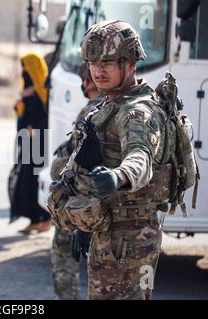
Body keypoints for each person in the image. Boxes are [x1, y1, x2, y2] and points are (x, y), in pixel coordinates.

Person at [50, 19, 178, 300]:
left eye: (107, 62)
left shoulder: (137, 112)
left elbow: (140, 157)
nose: (98, 70)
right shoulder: (111, 103)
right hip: (110, 228)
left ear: (130, 64)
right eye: (93, 62)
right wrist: (86, 224)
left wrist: (118, 176)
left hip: (131, 238)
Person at [50, 62, 102, 300]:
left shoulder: (93, 111)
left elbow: (77, 160)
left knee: (64, 253)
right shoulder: (113, 108)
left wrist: (58, 168)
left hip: (80, 198)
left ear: (87, 82)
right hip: (95, 199)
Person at [9, 53, 52, 234]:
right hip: (27, 144)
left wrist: (34, 130)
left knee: (35, 180)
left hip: (37, 144)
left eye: (27, 68)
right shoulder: (28, 92)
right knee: (26, 181)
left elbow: (45, 118)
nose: (24, 72)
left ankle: (44, 219)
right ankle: (35, 220)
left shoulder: (43, 94)